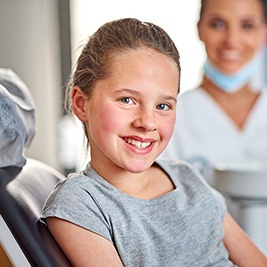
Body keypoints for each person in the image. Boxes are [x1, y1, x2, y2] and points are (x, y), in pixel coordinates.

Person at [41, 18, 267, 266]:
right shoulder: (81, 203)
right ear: (81, 103)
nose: (147, 122)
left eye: (163, 106)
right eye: (127, 100)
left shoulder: (186, 177)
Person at [160, 0, 267, 172]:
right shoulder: (171, 115)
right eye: (217, 24)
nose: (232, 40)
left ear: (264, 32)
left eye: (247, 25)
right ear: (200, 29)